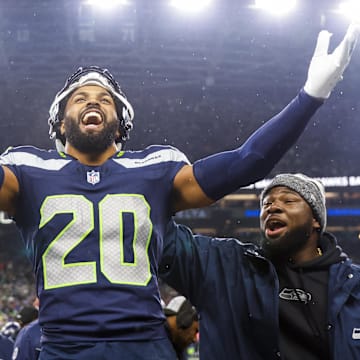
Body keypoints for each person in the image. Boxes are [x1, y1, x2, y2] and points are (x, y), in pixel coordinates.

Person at [0, 23, 358, 359]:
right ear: (60, 123)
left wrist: (309, 97)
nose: (93, 102)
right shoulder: (27, 169)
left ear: (121, 127)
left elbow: (245, 162)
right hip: (64, 346)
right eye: (79, 98)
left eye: (105, 99)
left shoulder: (155, 167)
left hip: (145, 344)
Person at [160, 173, 360, 359]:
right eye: (266, 203)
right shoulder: (227, 266)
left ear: (316, 220)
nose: (272, 207)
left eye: (289, 200)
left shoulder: (354, 286)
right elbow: (162, 240)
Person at [163, 296, 199, 360]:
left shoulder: (177, 346)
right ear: (184, 321)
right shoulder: (154, 346)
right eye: (195, 331)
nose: (195, 339)